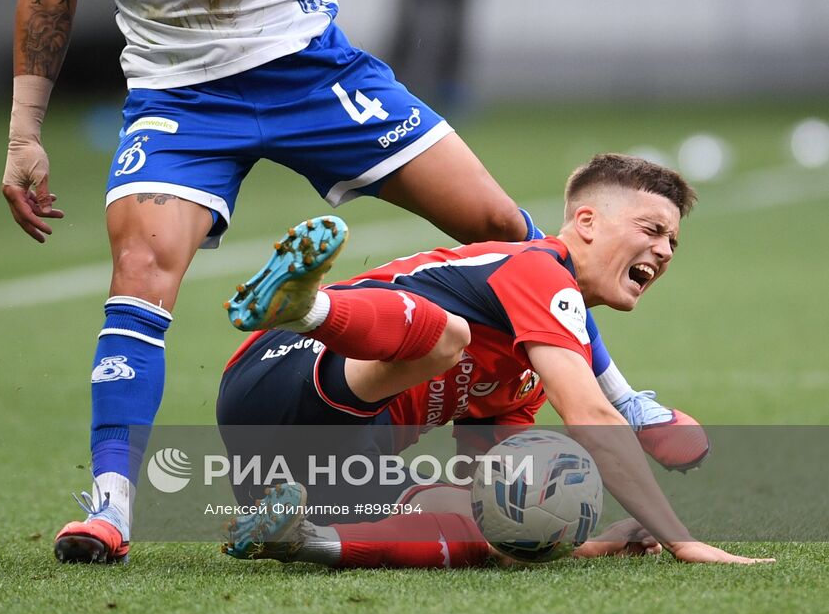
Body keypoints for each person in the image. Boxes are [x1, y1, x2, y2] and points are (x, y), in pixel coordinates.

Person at [1, 0, 699, 566]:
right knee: (139, 274)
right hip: (179, 94)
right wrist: (27, 131)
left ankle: (622, 394)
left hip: (306, 66)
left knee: (498, 227)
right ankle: (109, 510)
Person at [218, 155, 771, 567]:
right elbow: (593, 419)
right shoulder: (538, 270)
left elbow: (491, 492)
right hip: (283, 371)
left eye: (673, 241)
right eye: (652, 230)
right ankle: (306, 307)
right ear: (586, 222)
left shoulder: (532, 370)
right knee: (448, 338)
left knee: (486, 526)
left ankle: (302, 537)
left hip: (312, 467)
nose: (666, 251)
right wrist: (681, 539)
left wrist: (583, 538)